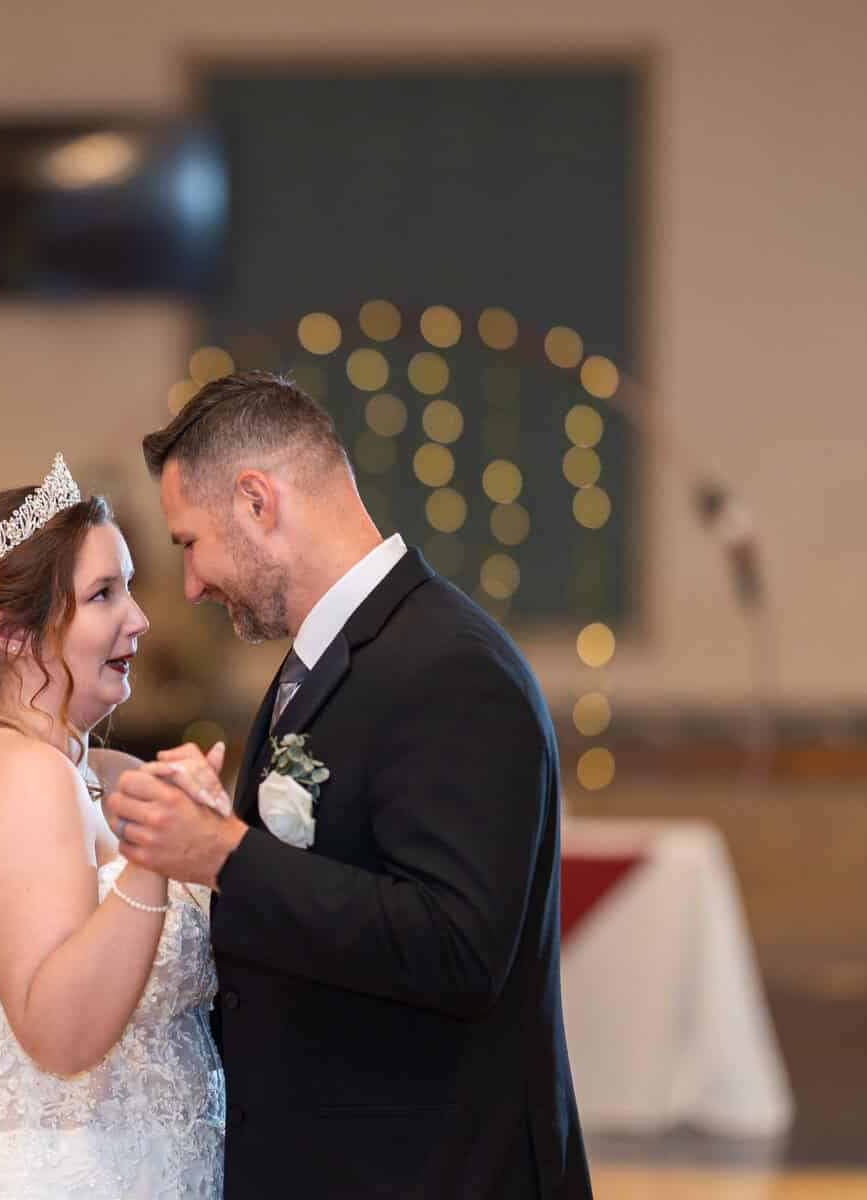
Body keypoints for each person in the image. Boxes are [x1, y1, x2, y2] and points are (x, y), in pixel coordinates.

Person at [104, 372, 593, 1199]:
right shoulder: (332, 656)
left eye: (189, 543)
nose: (188, 583)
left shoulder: (450, 667)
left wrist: (228, 855)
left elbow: (459, 947)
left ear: (257, 500)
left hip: (433, 1172)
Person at [0, 454, 224, 1199]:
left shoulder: (97, 775)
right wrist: (151, 858)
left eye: (130, 587)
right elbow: (60, 1037)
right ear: (12, 632)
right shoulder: (21, 776)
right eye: (103, 594)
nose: (138, 618)